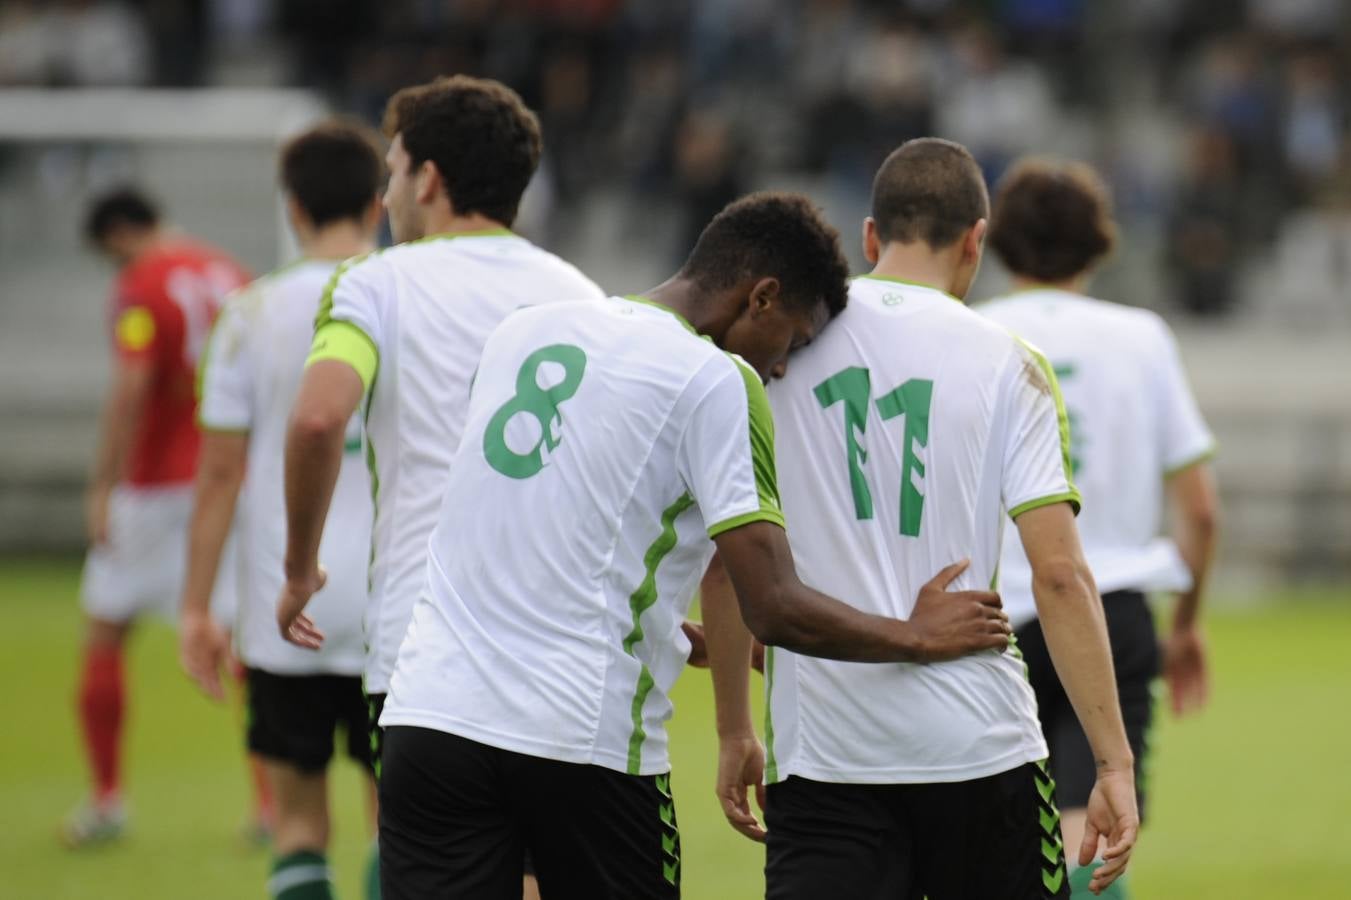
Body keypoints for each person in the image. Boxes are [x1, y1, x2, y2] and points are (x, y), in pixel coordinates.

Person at [318, 191, 1017, 900]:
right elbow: (774, 606)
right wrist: (914, 636)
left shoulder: (524, 330)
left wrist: (655, 624)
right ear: (762, 299)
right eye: (794, 344)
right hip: (578, 740)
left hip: (429, 719)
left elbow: (533, 514)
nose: (781, 369)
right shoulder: (716, 379)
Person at [707, 138, 1139, 900]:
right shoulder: (1011, 362)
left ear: (870, 238)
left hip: (825, 757)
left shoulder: (779, 347)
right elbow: (1059, 574)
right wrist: (1111, 764)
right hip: (978, 747)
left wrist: (735, 731)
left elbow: (730, 557)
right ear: (976, 241)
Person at [276, 75, 605, 899]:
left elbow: (318, 421)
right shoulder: (583, 296)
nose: (384, 194)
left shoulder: (375, 284)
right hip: (559, 647)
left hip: (427, 651)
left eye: (390, 172)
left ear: (426, 179)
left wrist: (297, 567)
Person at [978, 157, 1219, 899]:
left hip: (988, 614)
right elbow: (1201, 510)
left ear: (995, 243)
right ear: (1098, 243)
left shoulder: (971, 332)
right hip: (1107, 604)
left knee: (994, 834)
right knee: (1093, 823)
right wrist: (1183, 624)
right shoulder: (1140, 337)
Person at [179, 121, 386, 900]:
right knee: (397, 823)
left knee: (298, 826)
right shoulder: (405, 299)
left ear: (292, 208)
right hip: (394, 601)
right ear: (379, 202)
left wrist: (198, 606)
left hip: (283, 601)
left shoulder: (249, 313)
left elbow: (219, 474)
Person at [67, 188, 258, 847]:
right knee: (238, 643)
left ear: (119, 232)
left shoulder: (142, 284)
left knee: (105, 630)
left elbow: (131, 384)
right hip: (228, 478)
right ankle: (269, 806)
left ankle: (107, 800)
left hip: (153, 484)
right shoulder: (232, 274)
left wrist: (101, 486)